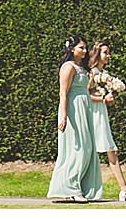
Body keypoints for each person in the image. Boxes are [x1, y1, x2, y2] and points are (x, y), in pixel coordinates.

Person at [47, 35, 104, 203]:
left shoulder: (81, 67)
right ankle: (72, 187)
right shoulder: (68, 67)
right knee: (78, 148)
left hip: (84, 109)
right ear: (72, 49)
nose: (85, 51)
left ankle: (80, 186)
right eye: (81, 48)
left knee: (88, 148)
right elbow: (63, 92)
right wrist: (63, 115)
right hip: (72, 109)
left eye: (85, 48)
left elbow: (85, 90)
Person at [87, 41, 126, 201]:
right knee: (103, 151)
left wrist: (107, 99)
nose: (108, 55)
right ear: (98, 54)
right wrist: (102, 98)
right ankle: (123, 190)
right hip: (93, 115)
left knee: (111, 150)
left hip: (100, 114)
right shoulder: (92, 73)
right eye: (105, 52)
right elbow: (84, 95)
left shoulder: (102, 73)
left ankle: (124, 190)